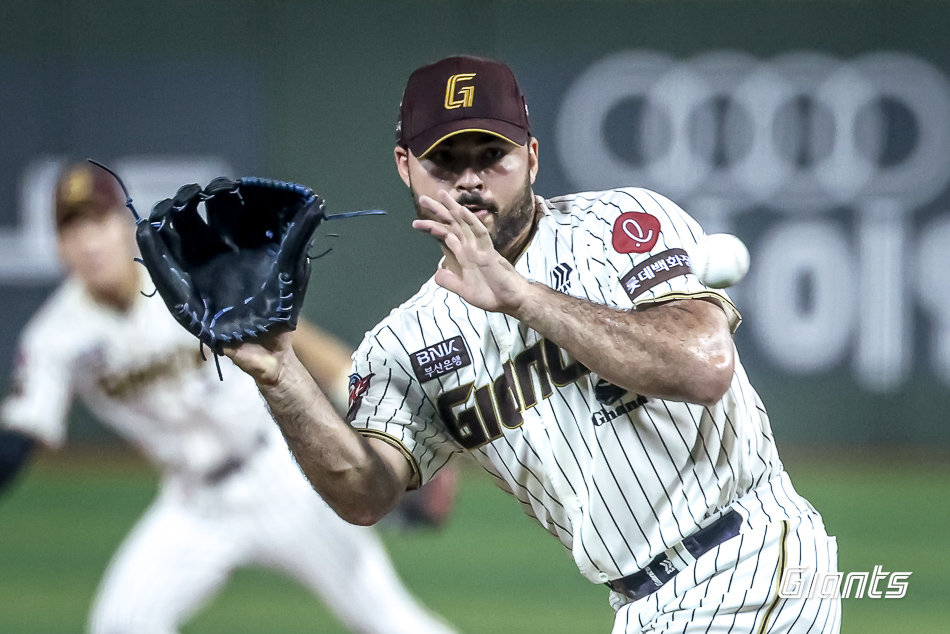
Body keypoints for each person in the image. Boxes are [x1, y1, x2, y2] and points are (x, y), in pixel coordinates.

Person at [226, 55, 842, 633]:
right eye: (445, 161)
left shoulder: (618, 227)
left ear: (533, 158)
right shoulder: (403, 345)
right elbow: (364, 495)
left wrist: (521, 295)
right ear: (404, 166)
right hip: (645, 604)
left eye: (491, 154)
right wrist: (281, 375)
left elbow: (705, 367)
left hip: (752, 561)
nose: (469, 180)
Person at [0, 161, 458, 634]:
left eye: (98, 221)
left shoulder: (184, 275)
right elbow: (21, 437)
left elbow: (308, 348)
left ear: (121, 226)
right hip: (193, 502)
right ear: (58, 247)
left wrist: (396, 429)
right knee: (120, 624)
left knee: (388, 619)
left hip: (282, 475)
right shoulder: (55, 336)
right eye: (73, 229)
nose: (89, 241)